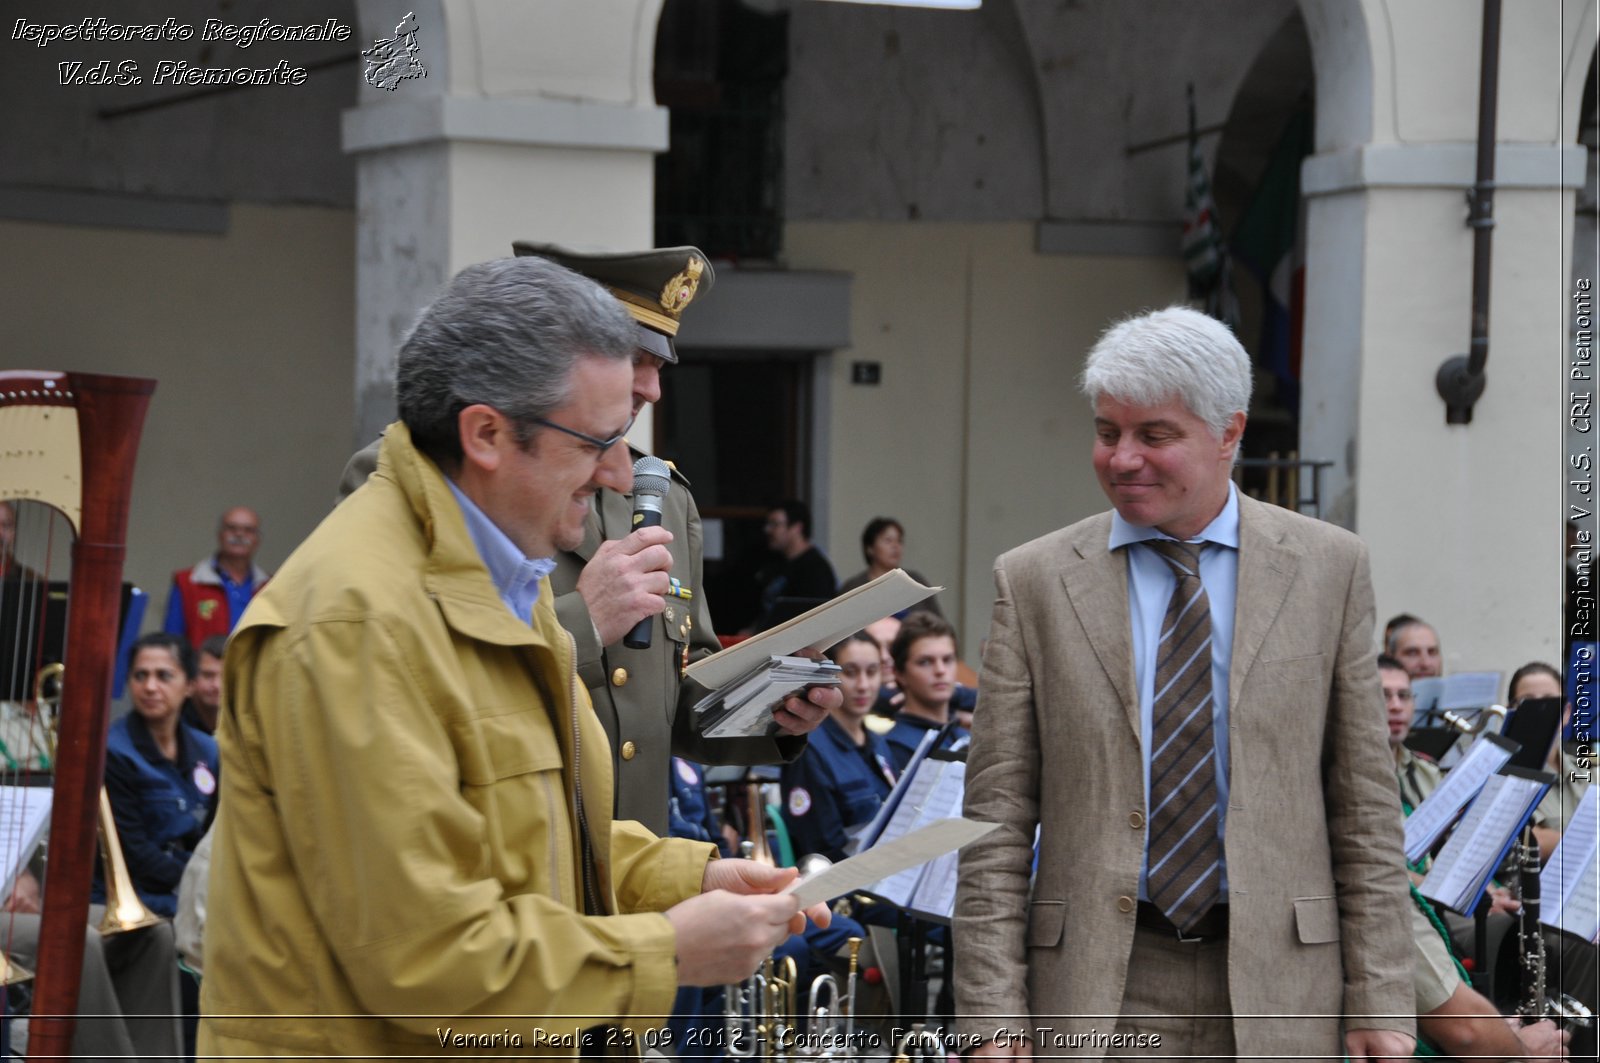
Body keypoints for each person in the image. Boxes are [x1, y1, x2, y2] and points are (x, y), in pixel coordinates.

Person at [200, 257, 826, 1057]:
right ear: (487, 433)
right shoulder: (356, 622)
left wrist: (690, 878)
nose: (615, 472)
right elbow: (424, 952)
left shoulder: (504, 568)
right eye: (597, 440)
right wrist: (664, 950)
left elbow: (535, 834)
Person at [954, 306, 1414, 1060]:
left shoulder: (1329, 569)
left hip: (1285, 987)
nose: (1122, 458)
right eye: (1107, 432)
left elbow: (1364, 808)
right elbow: (997, 820)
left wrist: (1383, 997)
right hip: (1101, 985)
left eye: (1153, 435)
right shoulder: (1034, 581)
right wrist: (992, 1017)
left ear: (1229, 432)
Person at [340, 242, 830, 834]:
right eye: (631, 357)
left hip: (632, 868)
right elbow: (419, 682)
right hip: (507, 855)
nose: (650, 389)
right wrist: (582, 620)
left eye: (660, 364)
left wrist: (773, 704)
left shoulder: (662, 497)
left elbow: (674, 699)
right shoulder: (426, 475)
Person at [100, 631, 219, 919]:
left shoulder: (208, 749)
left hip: (190, 884)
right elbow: (134, 851)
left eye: (164, 676)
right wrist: (197, 883)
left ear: (189, 685)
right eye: (140, 676)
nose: (150, 687)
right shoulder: (113, 750)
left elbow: (212, 833)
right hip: (137, 894)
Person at [782, 632, 899, 863]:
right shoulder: (810, 749)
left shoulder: (878, 743)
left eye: (872, 672)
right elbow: (822, 851)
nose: (864, 685)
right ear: (829, 677)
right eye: (851, 672)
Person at [162, 506, 268, 650]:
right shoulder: (187, 582)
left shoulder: (269, 586)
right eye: (231, 528)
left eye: (248, 530)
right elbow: (171, 641)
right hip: (202, 671)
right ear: (220, 534)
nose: (239, 534)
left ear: (257, 539)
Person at [882, 612, 967, 774]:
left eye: (947, 659)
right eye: (925, 662)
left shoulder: (967, 737)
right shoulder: (893, 746)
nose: (940, 670)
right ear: (899, 673)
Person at [744, 500, 837, 633]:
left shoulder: (816, 569)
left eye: (775, 524)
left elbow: (815, 621)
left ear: (797, 528)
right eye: (768, 524)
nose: (767, 530)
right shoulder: (775, 562)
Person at [838, 517, 944, 618]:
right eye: (888, 540)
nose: (895, 546)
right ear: (870, 548)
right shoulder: (854, 587)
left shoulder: (915, 580)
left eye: (899, 541)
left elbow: (939, 625)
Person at [182, 633, 225, 735]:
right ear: (192, 679)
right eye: (208, 675)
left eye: (225, 677)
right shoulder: (173, 722)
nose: (217, 685)